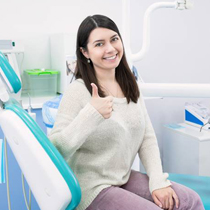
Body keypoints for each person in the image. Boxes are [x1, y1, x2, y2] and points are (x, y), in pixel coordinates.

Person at [49, 15, 204, 210]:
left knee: (190, 200)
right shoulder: (78, 91)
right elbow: (55, 150)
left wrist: (158, 182)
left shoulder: (130, 85)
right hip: (91, 187)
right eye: (99, 44)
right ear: (85, 52)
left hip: (122, 177)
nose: (110, 49)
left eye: (114, 39)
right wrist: (91, 114)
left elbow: (147, 138)